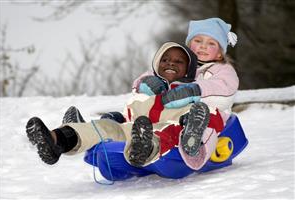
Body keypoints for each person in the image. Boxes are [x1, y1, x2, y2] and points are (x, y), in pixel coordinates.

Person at [26, 42, 209, 167]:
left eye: (178, 61)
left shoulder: (191, 94)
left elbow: (209, 118)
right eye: (165, 59)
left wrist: (190, 124)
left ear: (189, 70)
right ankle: (57, 140)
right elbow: (131, 115)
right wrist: (118, 118)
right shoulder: (146, 90)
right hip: (132, 129)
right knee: (104, 127)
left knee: (162, 133)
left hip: (165, 134)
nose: (170, 63)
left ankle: (142, 150)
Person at [128, 17, 239, 170]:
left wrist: (195, 90)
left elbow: (225, 88)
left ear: (220, 54)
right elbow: (148, 75)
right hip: (173, 116)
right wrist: (147, 83)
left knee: (207, 118)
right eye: (198, 41)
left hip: (207, 115)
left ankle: (196, 145)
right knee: (165, 128)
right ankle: (147, 147)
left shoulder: (223, 69)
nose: (203, 46)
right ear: (189, 45)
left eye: (211, 43)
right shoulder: (178, 62)